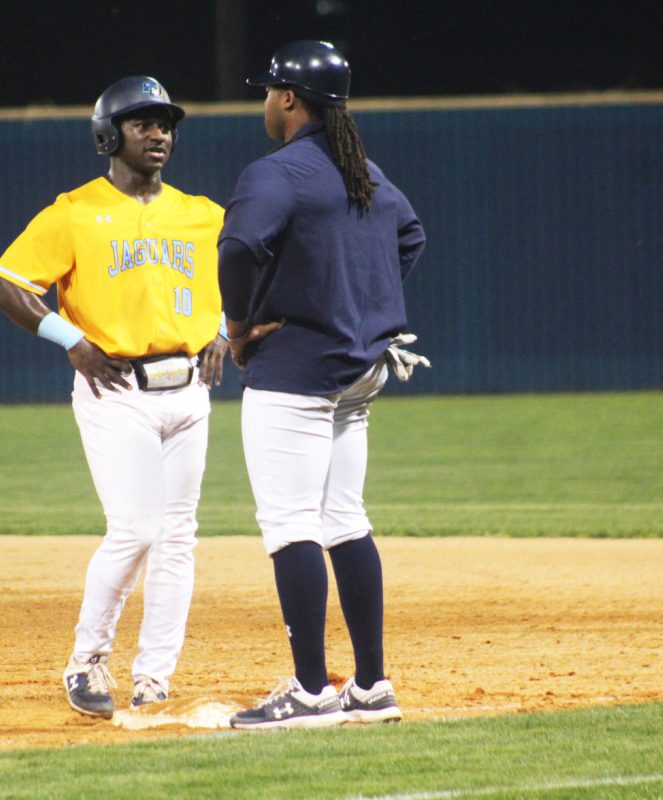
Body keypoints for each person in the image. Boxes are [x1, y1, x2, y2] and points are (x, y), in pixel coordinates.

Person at [0, 76, 228, 719]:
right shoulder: (74, 212)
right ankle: (86, 659)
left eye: (166, 123)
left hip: (190, 391)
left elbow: (243, 279)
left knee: (178, 537)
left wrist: (224, 330)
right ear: (107, 135)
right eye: (142, 122)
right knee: (137, 528)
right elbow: (4, 284)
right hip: (116, 390)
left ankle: (155, 676)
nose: (159, 133)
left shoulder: (201, 214)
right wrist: (67, 336)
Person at [218, 41, 429, 730]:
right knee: (344, 518)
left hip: (299, 369)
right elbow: (411, 237)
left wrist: (239, 327)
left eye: (268, 91)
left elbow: (241, 247)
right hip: (359, 373)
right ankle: (371, 686)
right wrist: (360, 308)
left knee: (290, 524)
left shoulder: (279, 171)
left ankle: (310, 691)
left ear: (288, 99)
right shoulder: (361, 170)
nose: (264, 102)